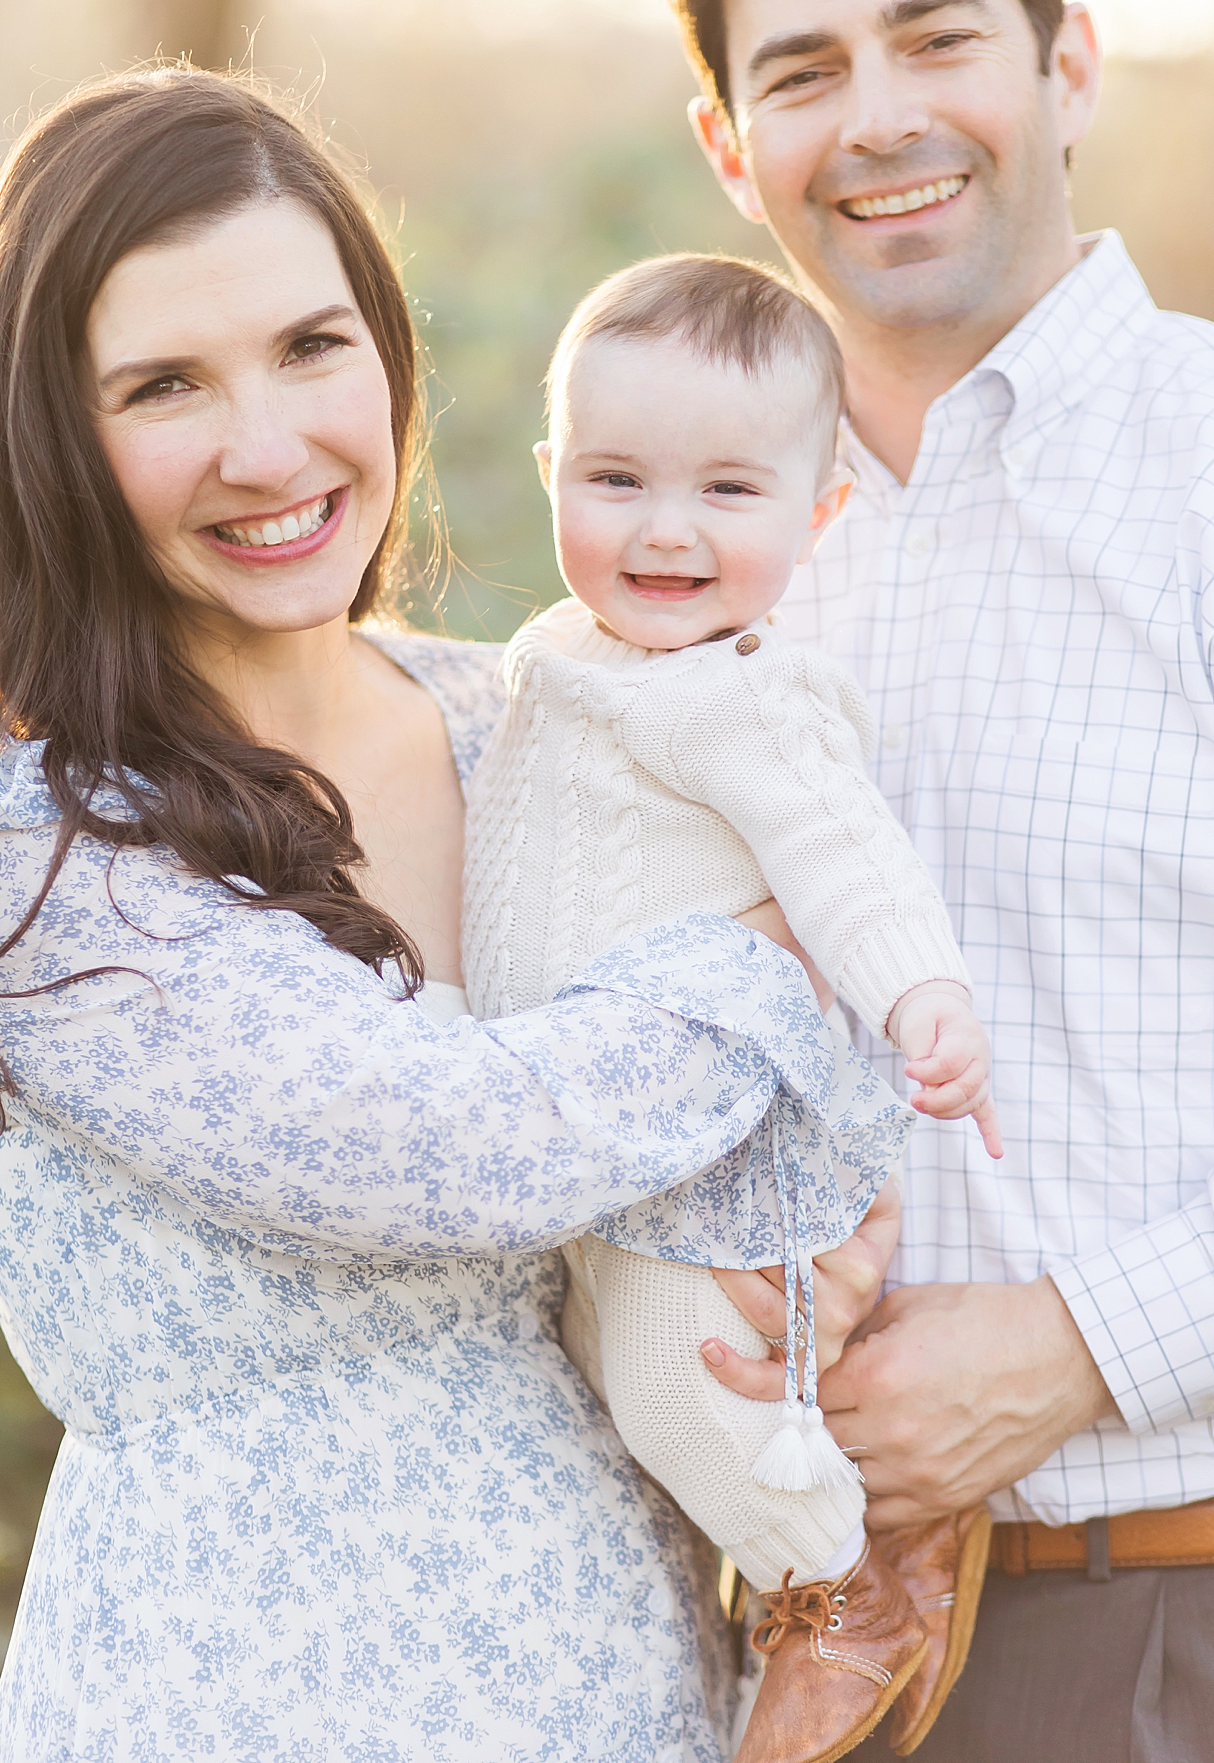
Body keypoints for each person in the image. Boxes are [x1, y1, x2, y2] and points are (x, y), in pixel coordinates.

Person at [0, 66, 892, 1763]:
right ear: (55, 434)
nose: (270, 448)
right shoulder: (51, 855)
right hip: (243, 1706)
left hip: (626, 1688)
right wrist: (774, 971)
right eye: (166, 383)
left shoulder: (534, 721)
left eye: (312, 347)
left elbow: (772, 1141)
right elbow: (443, 1144)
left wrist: (797, 1264)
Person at [664, 0, 1214, 1761]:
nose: (880, 113)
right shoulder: (690, 574)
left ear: (1065, 65)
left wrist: (1079, 1343)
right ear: (734, 152)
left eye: (938, 36)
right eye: (803, 72)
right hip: (795, 1663)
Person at [462, 249, 1000, 1762]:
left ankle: (851, 1575)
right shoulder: (556, 662)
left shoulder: (744, 696)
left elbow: (845, 853)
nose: (667, 532)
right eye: (618, 480)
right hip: (581, 1137)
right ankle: (788, 1554)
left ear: (820, 510)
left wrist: (921, 991)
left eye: (728, 494)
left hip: (688, 1159)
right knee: (604, 1380)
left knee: (663, 1383)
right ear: (553, 471)